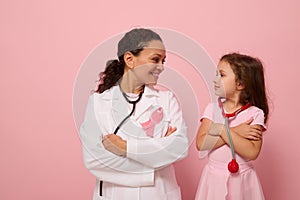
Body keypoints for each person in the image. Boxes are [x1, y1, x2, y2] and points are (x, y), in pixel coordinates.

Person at [80, 28, 188, 200]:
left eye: (163, 61)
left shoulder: (167, 100)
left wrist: (125, 147)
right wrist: (155, 158)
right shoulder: (98, 103)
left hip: (157, 194)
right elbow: (94, 160)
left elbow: (178, 149)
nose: (161, 67)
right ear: (129, 59)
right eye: (155, 59)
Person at [195, 53, 269, 199]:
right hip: (213, 178)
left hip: (242, 181)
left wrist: (221, 129)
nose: (215, 80)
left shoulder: (255, 114)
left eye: (221, 75)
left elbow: (252, 152)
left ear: (240, 84)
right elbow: (202, 143)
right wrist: (235, 131)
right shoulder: (212, 109)